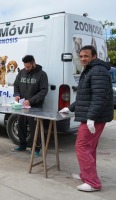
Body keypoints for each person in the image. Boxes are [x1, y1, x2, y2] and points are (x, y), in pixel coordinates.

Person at [59, 45, 113, 192]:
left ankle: (93, 182)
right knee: (89, 148)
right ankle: (86, 175)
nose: (83, 59)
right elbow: (85, 96)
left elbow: (100, 97)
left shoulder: (98, 71)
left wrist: (91, 118)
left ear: (94, 56)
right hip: (93, 115)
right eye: (81, 56)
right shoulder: (90, 70)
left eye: (86, 56)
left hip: (95, 118)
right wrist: (69, 108)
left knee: (82, 146)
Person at [12, 55, 48, 157]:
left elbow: (44, 91)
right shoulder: (21, 72)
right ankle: (22, 145)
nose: (26, 68)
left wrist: (31, 101)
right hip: (22, 106)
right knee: (21, 125)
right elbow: (16, 85)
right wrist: (17, 94)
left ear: (34, 63)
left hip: (35, 107)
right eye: (25, 66)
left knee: (34, 128)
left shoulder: (42, 75)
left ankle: (36, 148)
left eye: (28, 67)